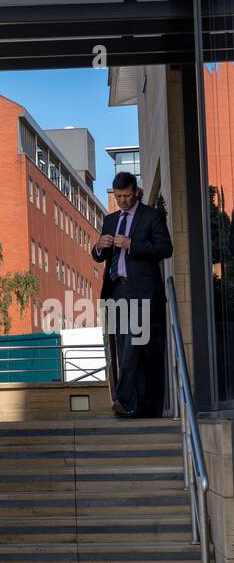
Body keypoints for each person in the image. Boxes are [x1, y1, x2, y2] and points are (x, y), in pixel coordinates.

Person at [91, 172, 173, 418]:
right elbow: (98, 257)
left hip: (142, 292)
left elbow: (165, 248)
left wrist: (132, 245)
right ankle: (131, 405)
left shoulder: (151, 216)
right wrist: (98, 246)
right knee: (122, 346)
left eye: (126, 196)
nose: (122, 201)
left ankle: (123, 398)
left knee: (133, 345)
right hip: (116, 290)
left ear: (135, 192)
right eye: (118, 197)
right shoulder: (110, 220)